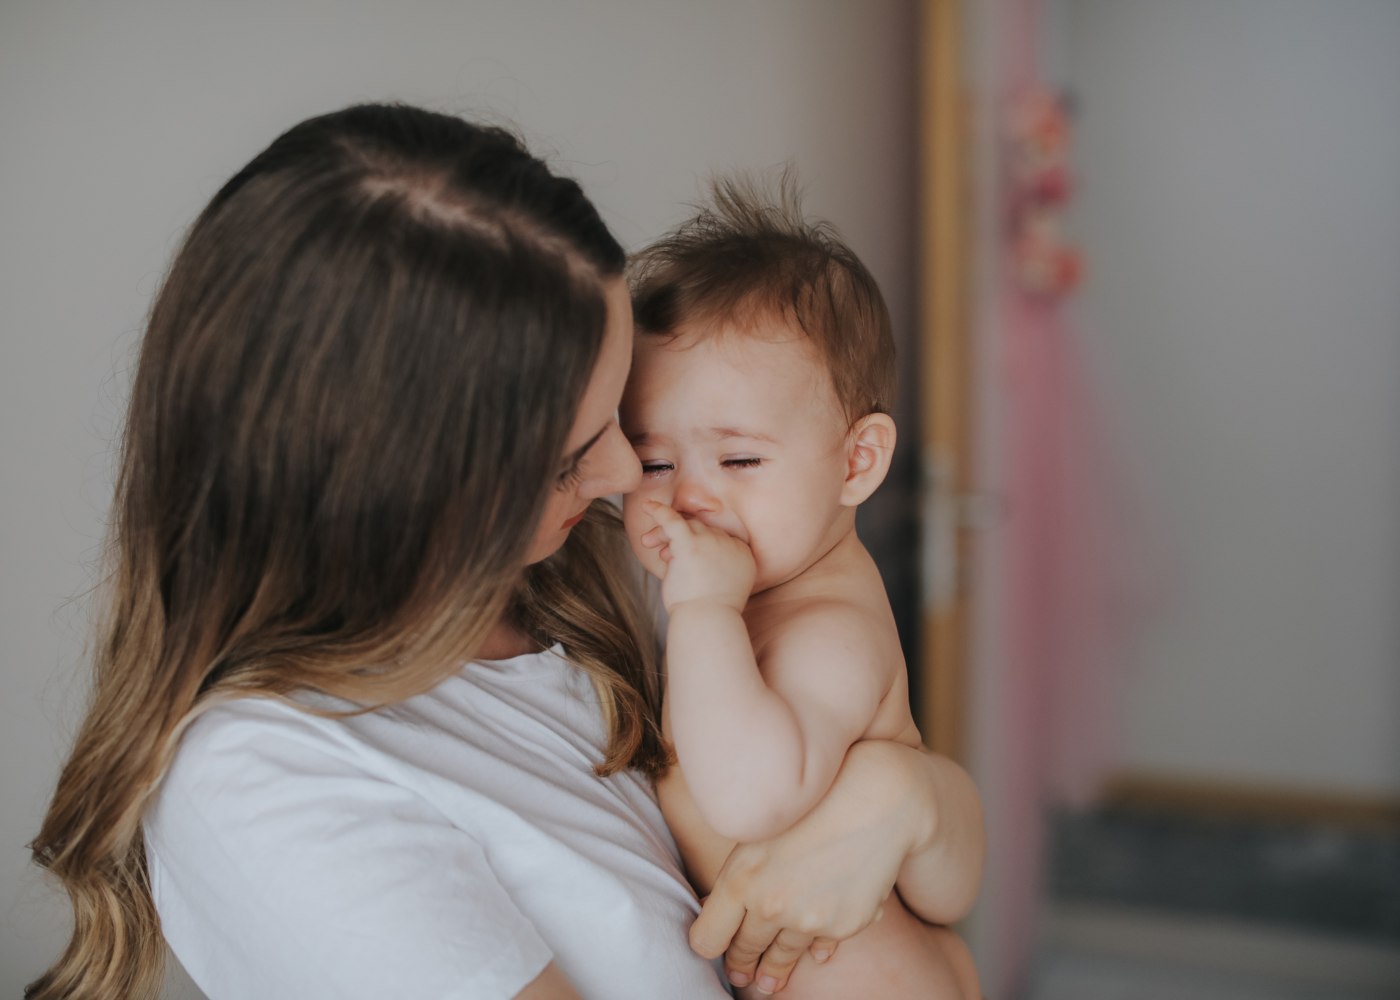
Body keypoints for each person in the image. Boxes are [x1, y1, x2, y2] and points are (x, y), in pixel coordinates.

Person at [26, 104, 983, 1000]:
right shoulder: (271, 783)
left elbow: (938, 923)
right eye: (577, 455)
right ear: (402, 495)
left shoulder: (606, 577)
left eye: (619, 419)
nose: (623, 477)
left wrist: (901, 801)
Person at [621, 176, 982, 998]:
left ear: (857, 462)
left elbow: (749, 802)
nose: (688, 496)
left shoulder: (829, 630)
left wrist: (704, 609)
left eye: (740, 459)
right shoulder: (759, 592)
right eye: (653, 461)